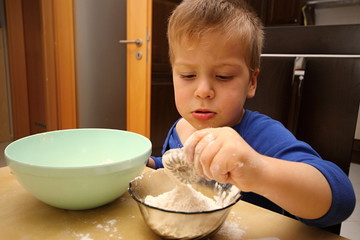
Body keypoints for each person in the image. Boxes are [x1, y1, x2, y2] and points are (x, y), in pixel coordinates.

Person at [147, 0, 355, 228]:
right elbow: (177, 168)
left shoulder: (263, 135)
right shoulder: (181, 127)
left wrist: (258, 170)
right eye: (187, 75)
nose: (203, 91)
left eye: (224, 76)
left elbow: (341, 199)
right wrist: (151, 165)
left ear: (251, 82)